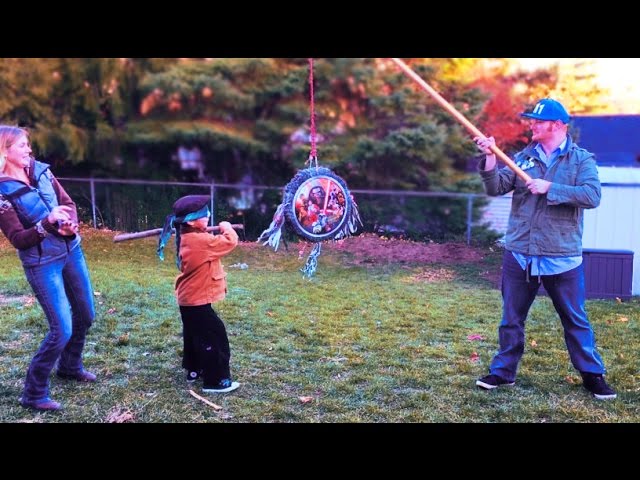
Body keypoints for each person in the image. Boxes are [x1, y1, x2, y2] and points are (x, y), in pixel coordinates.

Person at [473, 98, 616, 400]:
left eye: (539, 121)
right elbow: (494, 187)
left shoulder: (581, 160)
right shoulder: (522, 158)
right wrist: (488, 158)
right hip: (520, 253)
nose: (532, 125)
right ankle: (503, 372)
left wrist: (550, 187)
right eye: (532, 120)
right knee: (511, 319)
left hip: (561, 257)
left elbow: (592, 195)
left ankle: (592, 375)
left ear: (558, 125)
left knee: (575, 320)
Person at [0, 125, 96, 412]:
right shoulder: (2, 194)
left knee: (86, 315)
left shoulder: (42, 171)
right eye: (22, 146)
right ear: (5, 151)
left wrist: (69, 224)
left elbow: (66, 203)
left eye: (28, 144)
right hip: (41, 263)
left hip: (71, 251)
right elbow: (18, 239)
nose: (29, 150)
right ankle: (34, 392)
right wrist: (47, 223)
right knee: (61, 328)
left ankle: (70, 366)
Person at [157, 195, 240, 394]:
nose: (209, 217)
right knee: (214, 336)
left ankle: (195, 369)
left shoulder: (188, 236)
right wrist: (226, 226)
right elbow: (231, 241)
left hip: (189, 300)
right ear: (192, 221)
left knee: (195, 335)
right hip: (195, 300)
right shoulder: (201, 240)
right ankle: (216, 380)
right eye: (204, 215)